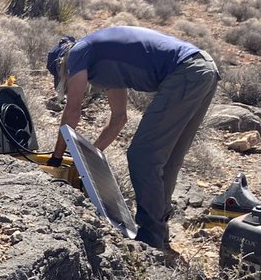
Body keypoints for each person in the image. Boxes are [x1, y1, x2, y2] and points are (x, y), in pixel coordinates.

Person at [46, 25, 220, 255]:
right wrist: (87, 156)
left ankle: (150, 236)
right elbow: (119, 118)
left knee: (142, 156)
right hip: (203, 69)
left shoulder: (78, 52)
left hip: (187, 72)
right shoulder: (106, 63)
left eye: (63, 78)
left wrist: (57, 158)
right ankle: (158, 235)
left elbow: (72, 111)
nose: (68, 84)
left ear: (63, 64)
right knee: (166, 160)